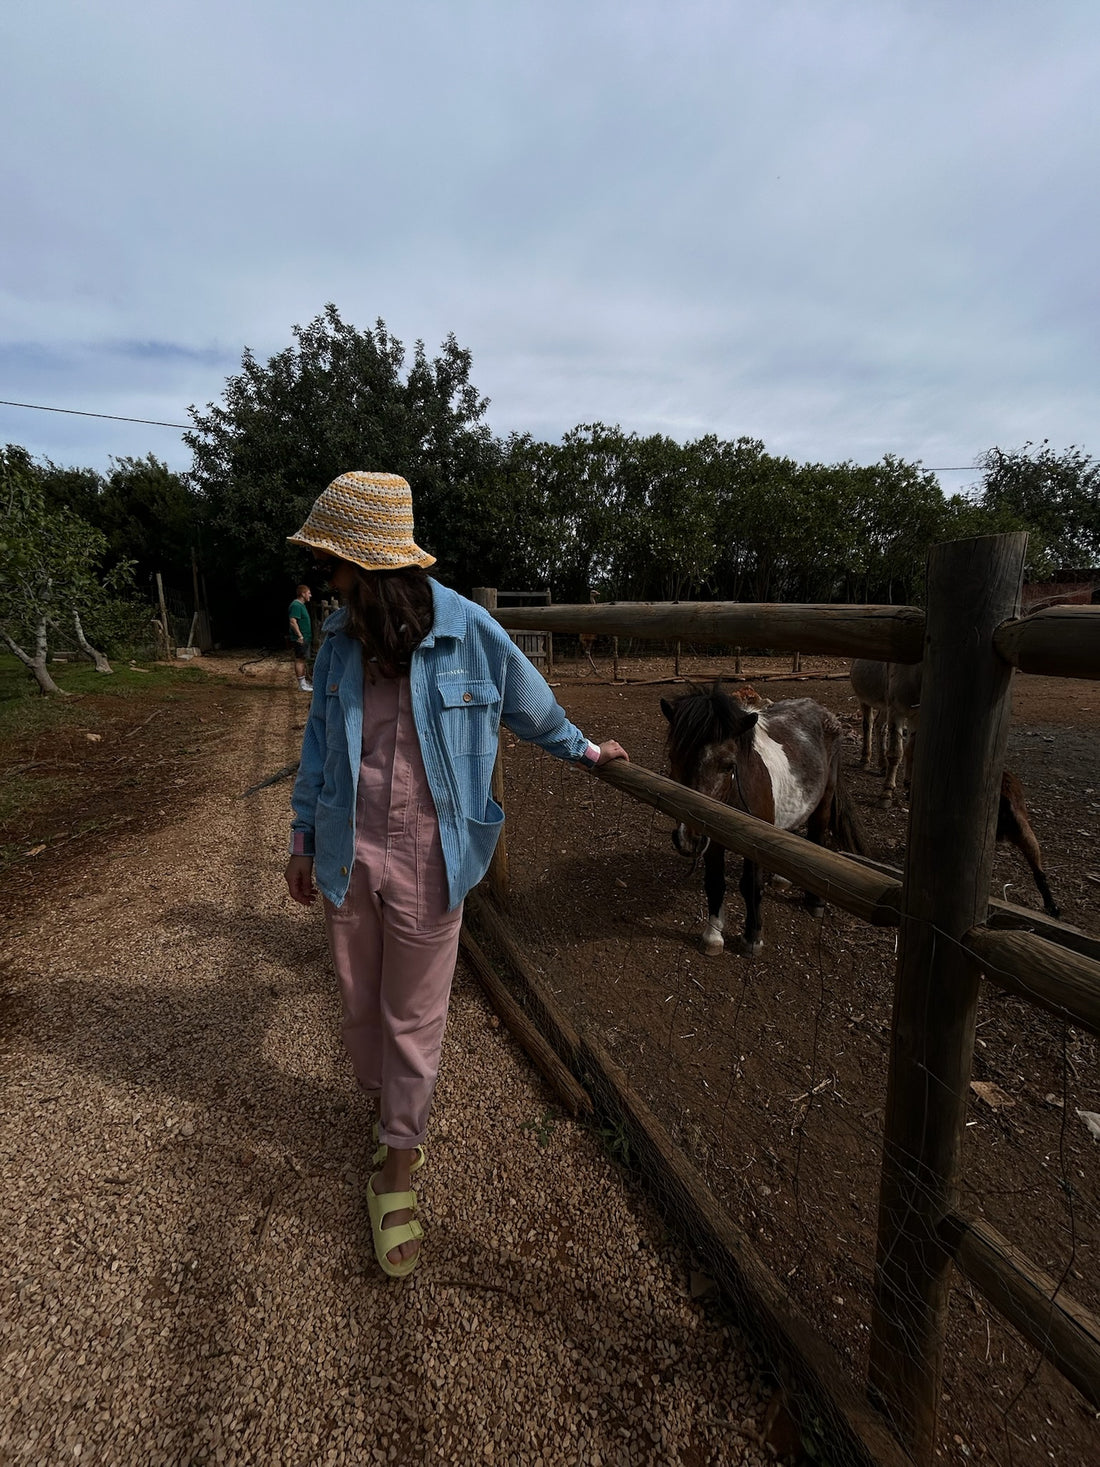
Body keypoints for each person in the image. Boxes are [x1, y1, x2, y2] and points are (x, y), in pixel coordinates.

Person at [283, 470, 628, 1278]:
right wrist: (302, 837)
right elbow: (317, 750)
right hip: (347, 846)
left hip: (433, 856)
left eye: (333, 561)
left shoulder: (469, 631)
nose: (326, 576)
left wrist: (584, 748)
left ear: (366, 567)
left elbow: (530, 704)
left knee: (414, 1016)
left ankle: (399, 1164)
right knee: (362, 1002)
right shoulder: (339, 641)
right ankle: (387, 1112)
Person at [287, 583, 313, 691]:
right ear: (302, 594)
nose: (310, 595)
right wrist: (300, 635)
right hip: (300, 638)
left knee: (302, 659)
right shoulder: (296, 605)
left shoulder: (301, 605)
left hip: (305, 637)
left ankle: (303, 683)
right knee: (299, 659)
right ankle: (302, 685)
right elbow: (293, 621)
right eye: (308, 593)